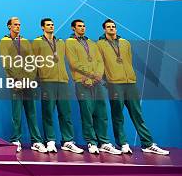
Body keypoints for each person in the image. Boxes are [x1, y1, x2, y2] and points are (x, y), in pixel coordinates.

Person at [97, 19, 169, 155]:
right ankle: (123, 143)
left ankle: (147, 144)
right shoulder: (100, 44)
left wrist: (131, 77)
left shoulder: (125, 43)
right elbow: (100, 63)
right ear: (104, 30)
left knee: (137, 114)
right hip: (114, 84)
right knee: (117, 115)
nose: (112, 29)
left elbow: (128, 61)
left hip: (130, 83)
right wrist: (107, 81)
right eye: (108, 27)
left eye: (113, 27)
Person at [65, 19, 120, 155]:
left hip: (96, 82)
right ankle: (91, 142)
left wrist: (97, 75)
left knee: (101, 112)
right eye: (79, 26)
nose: (82, 28)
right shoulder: (69, 42)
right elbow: (74, 63)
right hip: (82, 82)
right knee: (87, 112)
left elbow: (99, 61)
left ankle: (104, 142)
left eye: (84, 26)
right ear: (73, 28)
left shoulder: (92, 43)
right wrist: (90, 74)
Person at [32, 18, 83, 153]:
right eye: (48, 25)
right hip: (47, 81)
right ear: (42, 27)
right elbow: (33, 62)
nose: (51, 27)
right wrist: (37, 80)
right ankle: (50, 141)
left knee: (65, 112)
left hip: (62, 81)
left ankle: (68, 141)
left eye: (52, 24)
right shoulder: (37, 42)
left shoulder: (60, 42)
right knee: (48, 112)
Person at [0, 17, 46, 152]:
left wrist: (29, 80)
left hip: (28, 83)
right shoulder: (4, 41)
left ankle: (36, 141)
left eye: (19, 25)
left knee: (32, 112)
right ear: (9, 26)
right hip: (15, 83)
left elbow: (32, 62)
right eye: (15, 25)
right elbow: (6, 63)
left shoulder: (24, 41)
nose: (18, 27)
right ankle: (15, 140)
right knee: (17, 113)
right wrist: (17, 80)